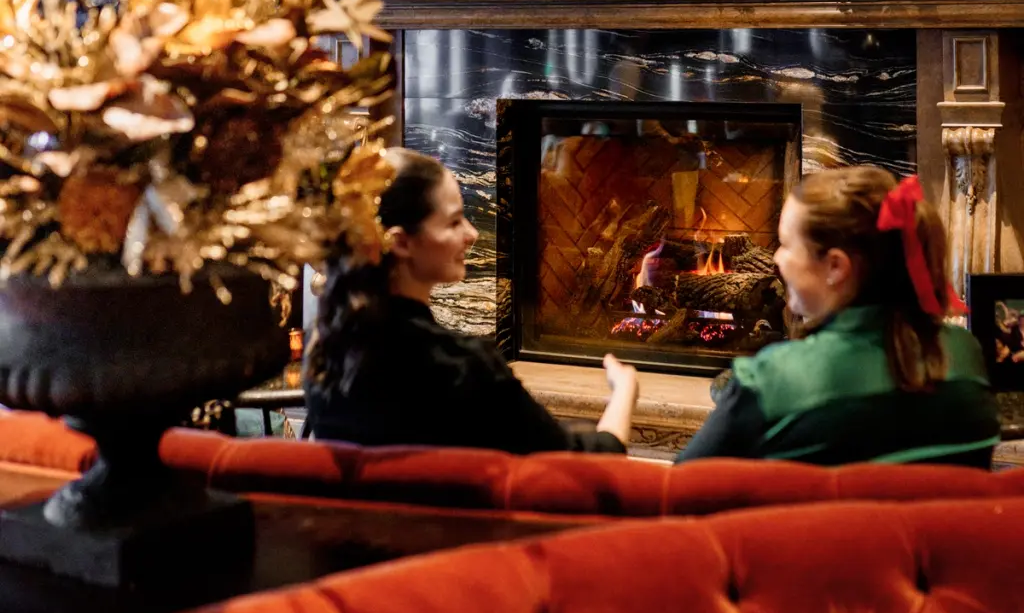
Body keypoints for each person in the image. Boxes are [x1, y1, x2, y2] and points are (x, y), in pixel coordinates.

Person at [304, 148, 638, 453]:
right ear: (401, 243)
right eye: (453, 222)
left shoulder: (325, 355)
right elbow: (590, 461)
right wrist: (624, 392)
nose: (472, 234)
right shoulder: (461, 368)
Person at [675, 166, 999, 467]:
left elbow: (679, 488)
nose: (775, 258)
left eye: (786, 245)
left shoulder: (772, 379)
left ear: (835, 266)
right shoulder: (965, 354)